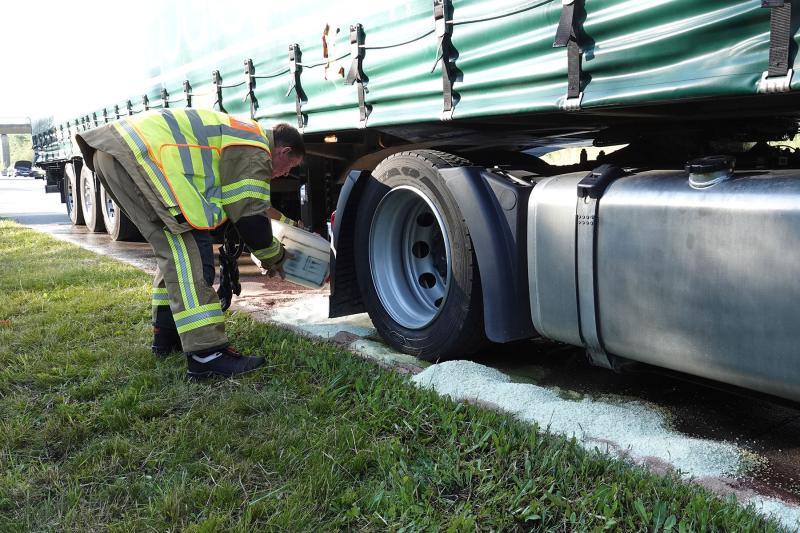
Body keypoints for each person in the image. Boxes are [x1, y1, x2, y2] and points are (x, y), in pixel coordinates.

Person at [76, 109, 304, 379]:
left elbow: (248, 207)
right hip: (140, 159)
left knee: (173, 251)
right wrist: (274, 257)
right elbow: (249, 216)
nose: (284, 174)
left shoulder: (242, 135)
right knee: (190, 253)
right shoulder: (255, 148)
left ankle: (166, 335)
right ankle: (207, 354)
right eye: (289, 167)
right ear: (283, 151)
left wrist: (290, 226)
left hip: (117, 155)